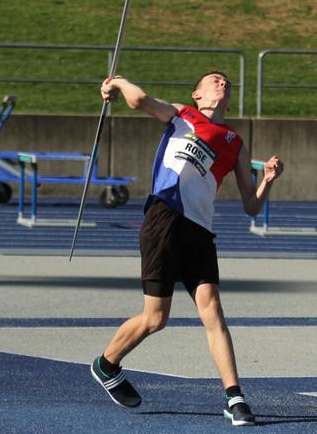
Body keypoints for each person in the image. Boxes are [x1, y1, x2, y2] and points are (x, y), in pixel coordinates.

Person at [90, 71, 283, 426]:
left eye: (227, 83)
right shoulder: (181, 115)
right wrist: (117, 83)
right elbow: (140, 101)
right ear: (197, 94)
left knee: (213, 310)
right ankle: (105, 364)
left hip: (200, 229)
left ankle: (235, 397)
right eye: (214, 80)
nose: (222, 84)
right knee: (155, 319)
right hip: (165, 217)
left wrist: (267, 182)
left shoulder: (234, 143)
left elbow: (250, 206)